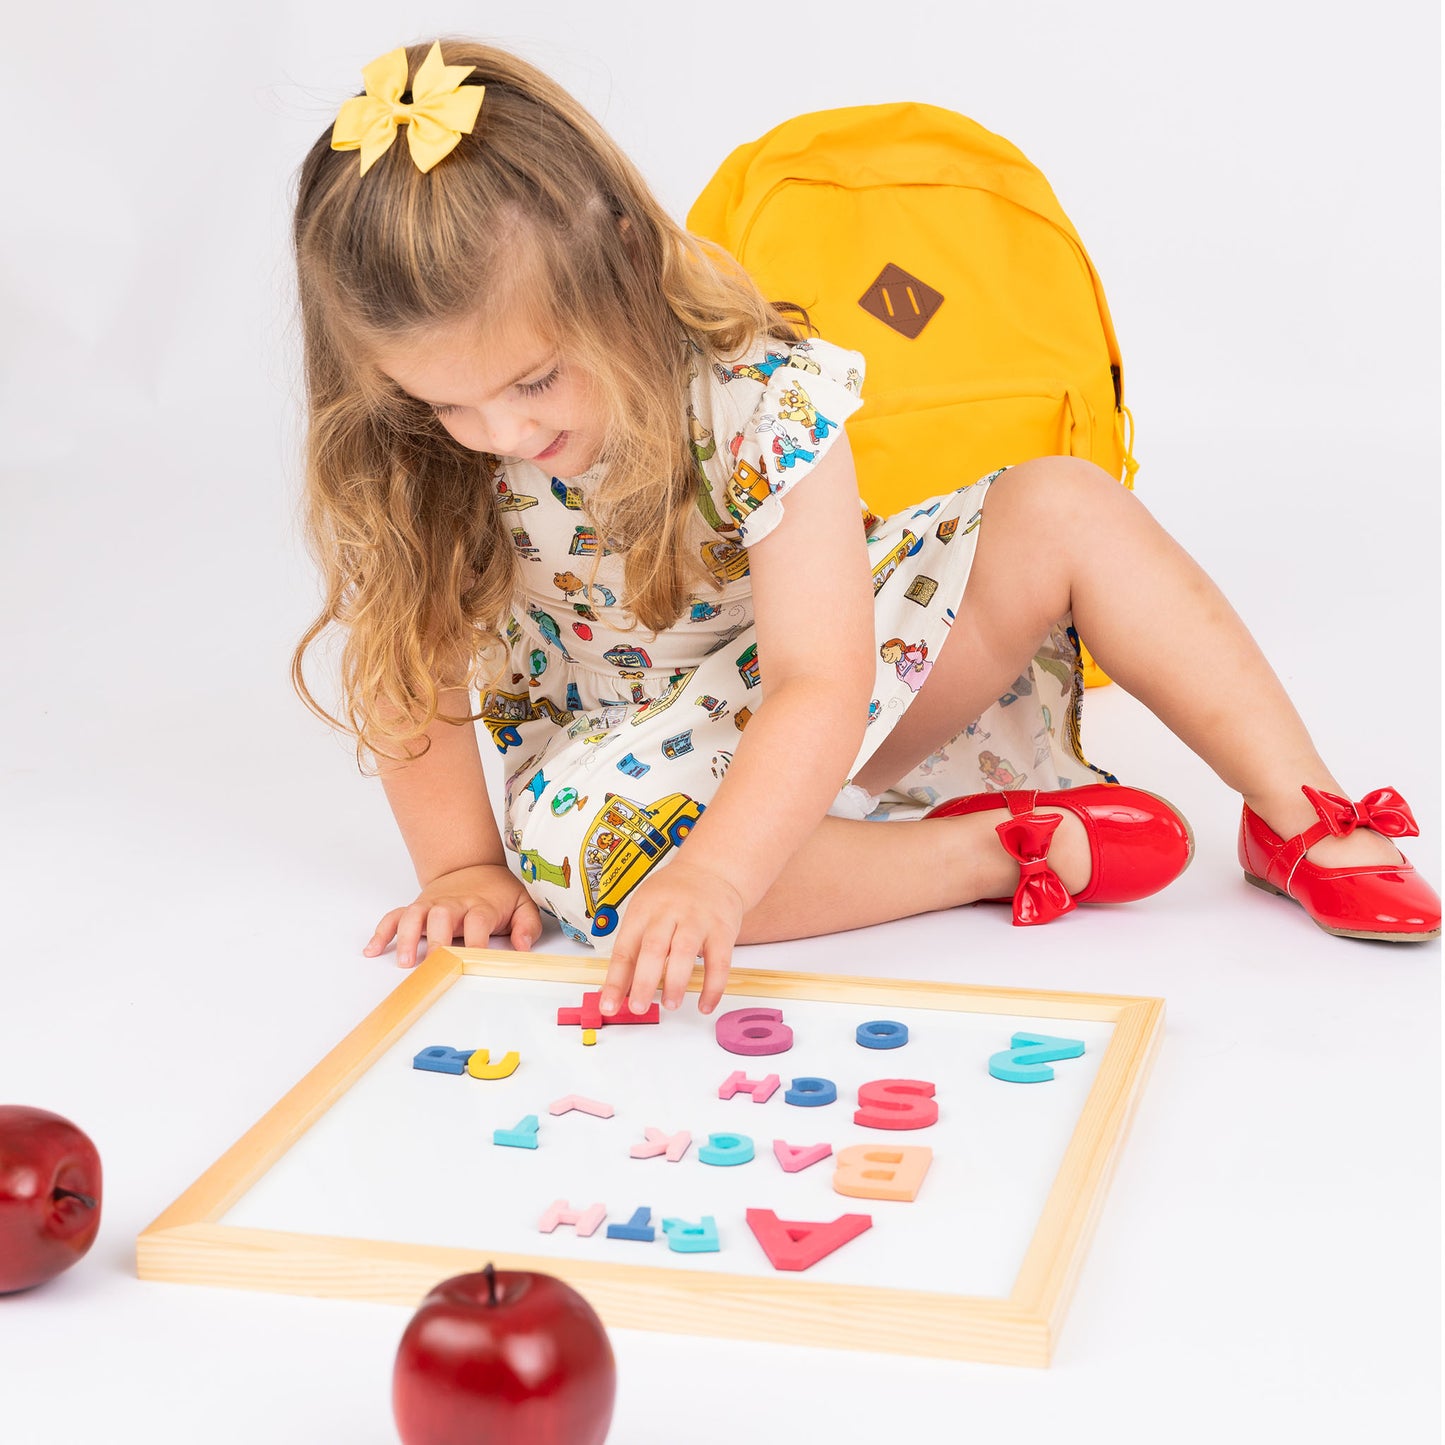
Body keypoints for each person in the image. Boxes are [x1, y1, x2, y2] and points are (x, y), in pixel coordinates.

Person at [290, 39, 1440, 1021]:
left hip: (825, 690)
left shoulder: (755, 389)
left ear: (623, 262)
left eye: (534, 380)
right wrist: (463, 864)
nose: (499, 431)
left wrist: (724, 873)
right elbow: (408, 670)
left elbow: (820, 675)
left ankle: (1302, 812)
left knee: (1062, 502)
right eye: (448, 402)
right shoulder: (422, 449)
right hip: (627, 759)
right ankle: (982, 850)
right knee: (613, 871)